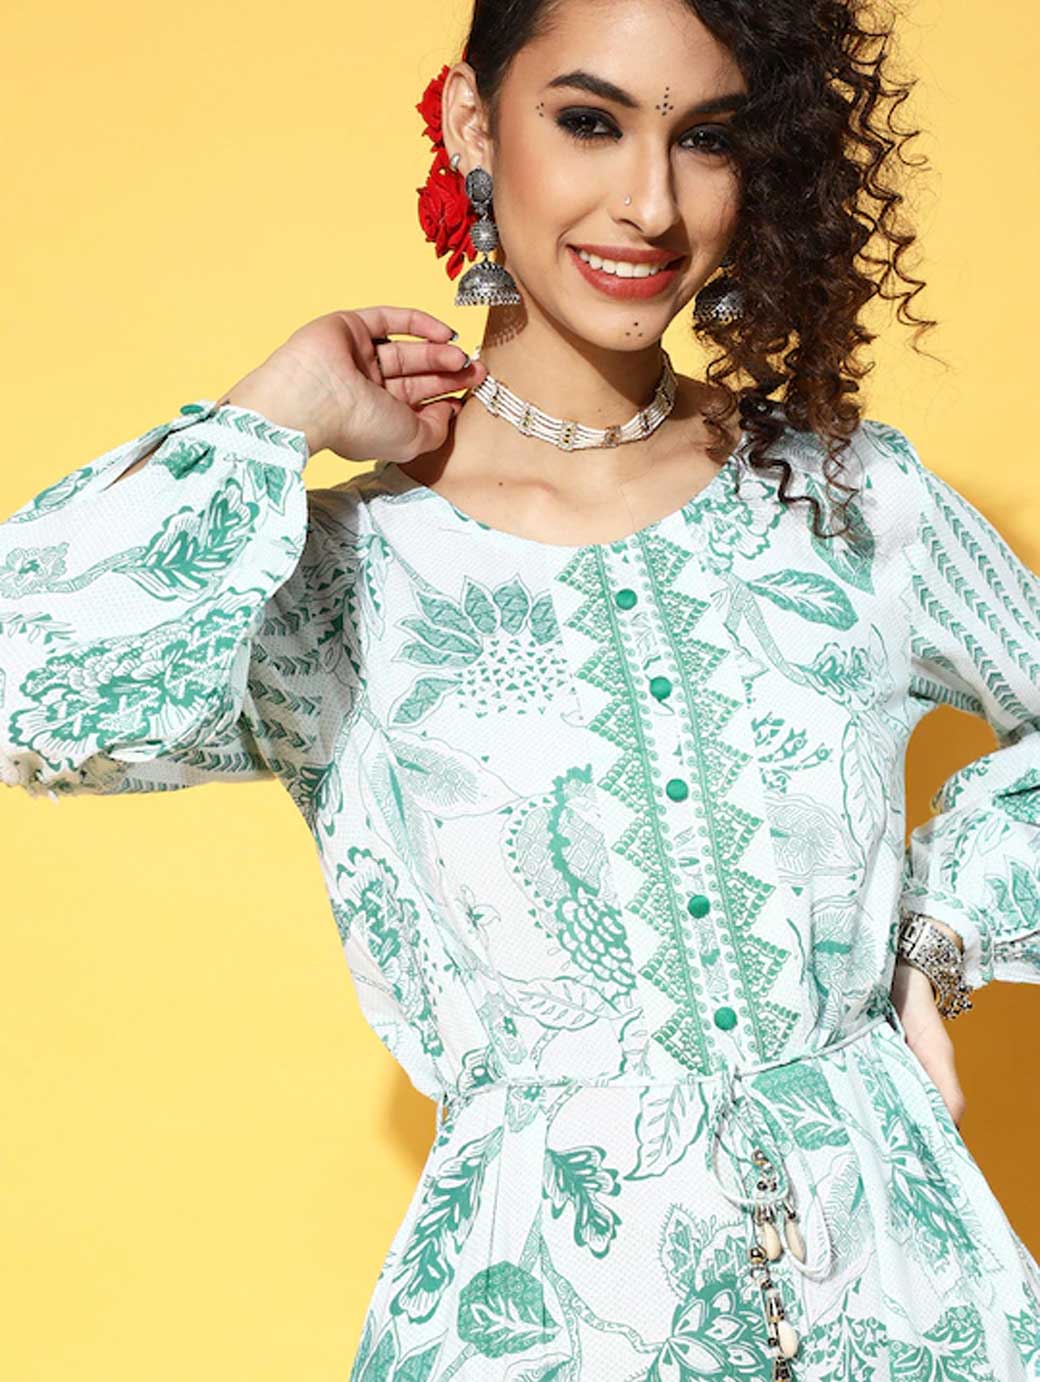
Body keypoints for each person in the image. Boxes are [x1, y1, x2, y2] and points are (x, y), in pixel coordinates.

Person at [3, 0, 1039, 1376]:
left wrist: (941, 938)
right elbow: (29, 689)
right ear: (471, 122)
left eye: (708, 139)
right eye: (590, 122)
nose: (650, 204)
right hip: (545, 1317)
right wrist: (272, 413)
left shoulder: (849, 501)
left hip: (912, 1303)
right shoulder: (345, 571)